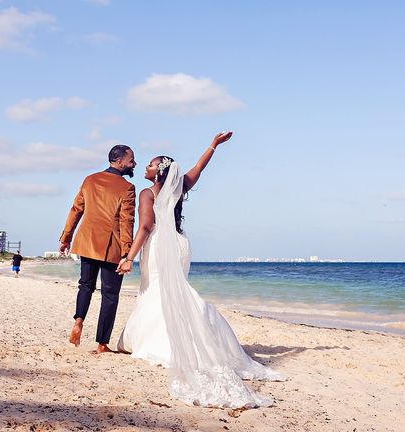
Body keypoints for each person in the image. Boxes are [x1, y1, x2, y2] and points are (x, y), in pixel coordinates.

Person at [116, 132, 282, 408]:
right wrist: (213, 146)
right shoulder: (179, 186)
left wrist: (129, 257)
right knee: (176, 287)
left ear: (158, 172)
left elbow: (145, 227)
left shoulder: (148, 193)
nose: (144, 168)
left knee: (157, 287)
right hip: (181, 244)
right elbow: (198, 169)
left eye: (149, 165)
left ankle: (161, 341)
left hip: (159, 245)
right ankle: (191, 335)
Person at [59, 145, 136, 354]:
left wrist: (66, 238)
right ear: (119, 161)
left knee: (85, 285)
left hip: (86, 241)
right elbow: (127, 222)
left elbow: (76, 209)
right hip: (112, 246)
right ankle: (102, 344)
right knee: (110, 295)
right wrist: (127, 253)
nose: (134, 164)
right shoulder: (127, 187)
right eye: (131, 160)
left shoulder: (90, 179)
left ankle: (79, 320)